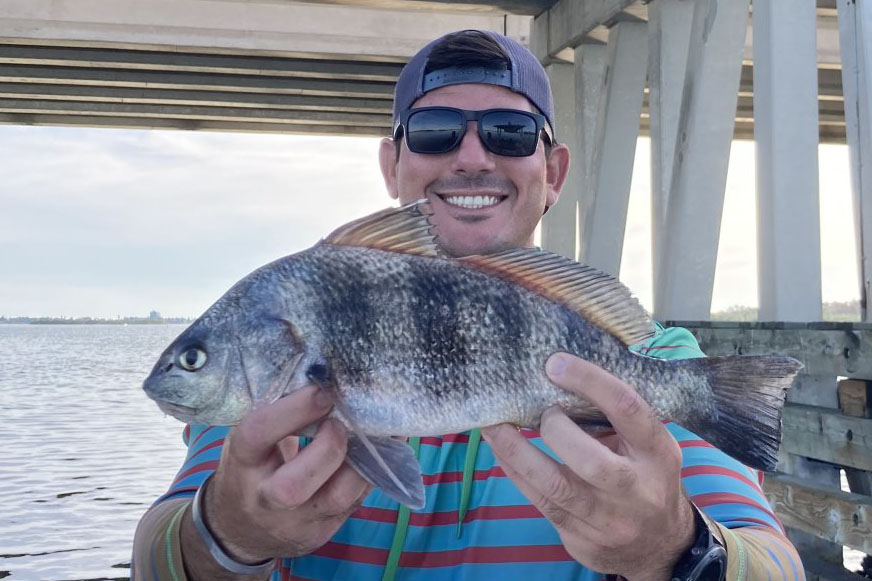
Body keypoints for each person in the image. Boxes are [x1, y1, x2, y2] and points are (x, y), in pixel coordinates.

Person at [133, 29, 804, 581]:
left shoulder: (652, 367)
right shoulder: (265, 395)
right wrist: (223, 535)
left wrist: (676, 551)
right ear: (393, 164)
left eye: (510, 131)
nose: (473, 155)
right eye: (434, 131)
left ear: (555, 173)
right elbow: (153, 555)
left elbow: (777, 567)